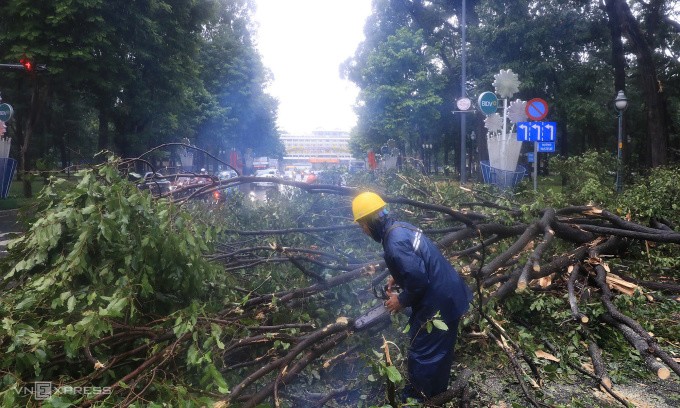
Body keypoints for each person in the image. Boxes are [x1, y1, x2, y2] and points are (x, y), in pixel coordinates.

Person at [351, 191, 473, 402]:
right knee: (440, 353)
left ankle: (416, 401)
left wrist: (401, 300)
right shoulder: (401, 228)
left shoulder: (394, 242)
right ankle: (436, 397)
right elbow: (417, 264)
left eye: (362, 225)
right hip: (450, 293)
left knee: (422, 354)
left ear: (371, 221)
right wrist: (397, 277)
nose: (363, 231)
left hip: (439, 302)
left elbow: (418, 281)